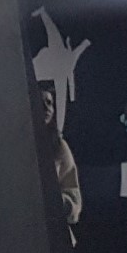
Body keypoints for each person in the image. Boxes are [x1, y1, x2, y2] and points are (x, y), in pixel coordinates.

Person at [39, 83, 82, 240]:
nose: (47, 108)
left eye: (49, 103)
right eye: (41, 103)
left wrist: (61, 202)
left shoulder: (59, 146)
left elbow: (75, 201)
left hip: (52, 232)